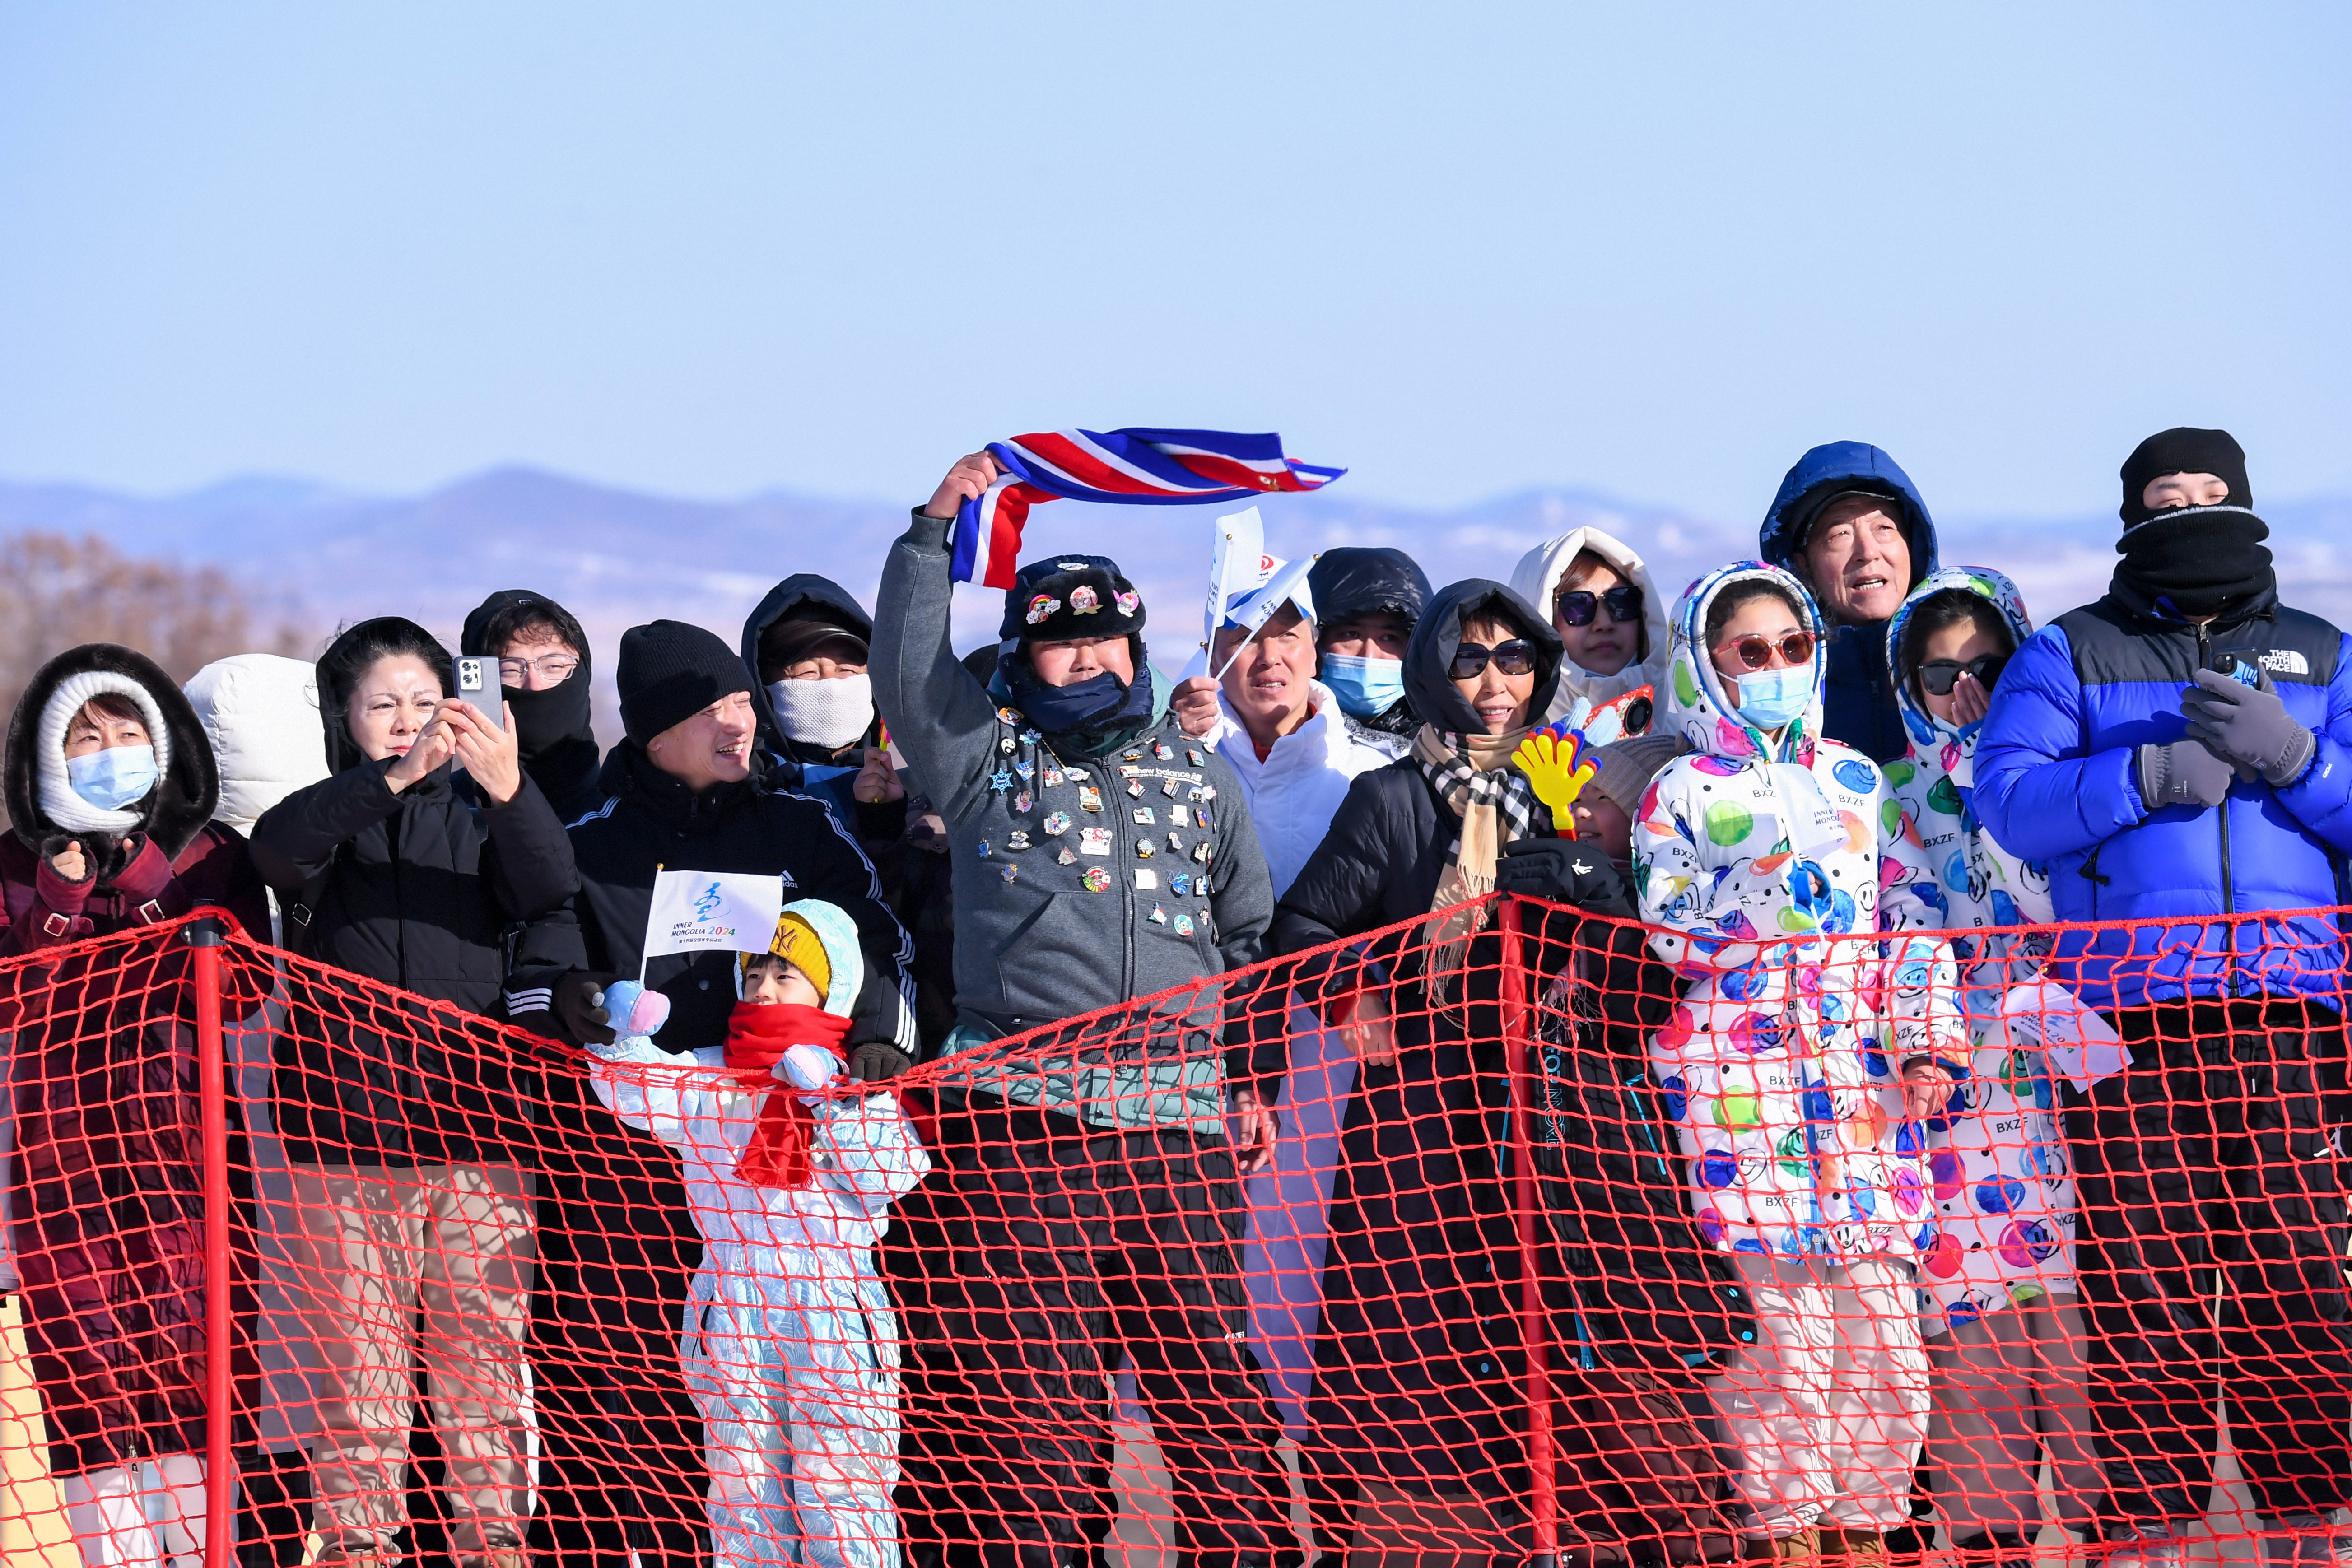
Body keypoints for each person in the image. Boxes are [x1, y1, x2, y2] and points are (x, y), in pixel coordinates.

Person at [871, 449, 1290, 1568]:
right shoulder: (983, 760)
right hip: (1022, 1125)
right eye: (1062, 636)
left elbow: (1246, 942)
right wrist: (934, 529)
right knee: (1035, 1418)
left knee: (1216, 1398)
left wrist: (1252, 1081)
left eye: (1107, 635)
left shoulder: (1198, 776)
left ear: (1136, 646)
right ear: (1025, 654)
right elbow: (910, 670)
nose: (1087, 653)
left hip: (1180, 1130)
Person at [1271, 579, 1716, 1564]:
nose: (1495, 680)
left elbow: (1646, 997)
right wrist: (1358, 993)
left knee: (1615, 1399)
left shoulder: (1579, 787)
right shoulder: (1390, 797)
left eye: (1515, 657)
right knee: (1431, 1395)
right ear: (1434, 668)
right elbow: (1300, 927)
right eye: (1469, 657)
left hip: (1571, 1136)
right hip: (1427, 1138)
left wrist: (1597, 889)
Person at [1975, 428, 2352, 1565]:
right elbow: (2011, 798)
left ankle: (2309, 1529)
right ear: (2131, 518)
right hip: (2134, 1018)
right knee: (2152, 1286)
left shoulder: (2321, 651)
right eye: (2164, 498)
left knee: (2295, 1267)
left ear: (2245, 504)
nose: (2189, 512)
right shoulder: (2071, 651)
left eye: (2209, 495)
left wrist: (2302, 761)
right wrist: (2142, 777)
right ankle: (2152, 1531)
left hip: (2290, 1010)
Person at [508, 619, 917, 1568]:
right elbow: (538, 965)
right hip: (640, 1161)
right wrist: (580, 1000)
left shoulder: (799, 824)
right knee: (651, 1423)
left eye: (742, 699)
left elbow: (877, 940)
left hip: (791, 1140)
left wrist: (869, 1045)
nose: (741, 721)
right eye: (713, 708)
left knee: (833, 1470)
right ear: (658, 731)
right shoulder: (594, 840)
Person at [1633, 562, 1966, 1568]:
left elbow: (1912, 928)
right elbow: (1669, 931)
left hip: (1862, 1103)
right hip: (1743, 1097)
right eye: (1751, 651)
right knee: (1789, 1346)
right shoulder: (1680, 789)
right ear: (1710, 662)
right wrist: (1763, 904)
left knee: (1888, 1348)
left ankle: (1866, 1531)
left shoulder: (1857, 781)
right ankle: (1786, 1536)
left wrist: (1926, 1047)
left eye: (1793, 647)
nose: (1776, 666)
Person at [250, 615, 578, 1568]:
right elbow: (277, 851)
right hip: (344, 1137)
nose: (408, 721)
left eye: (426, 702)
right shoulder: (326, 815)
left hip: (478, 1134)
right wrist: (390, 778)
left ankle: (494, 1543)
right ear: (346, 719)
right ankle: (359, 1543)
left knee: (480, 1360)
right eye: (383, 705)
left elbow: (552, 887)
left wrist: (507, 785)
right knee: (360, 1371)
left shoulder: (487, 810)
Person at [0, 642, 270, 1568]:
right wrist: (63, 895)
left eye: (125, 732)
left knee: (194, 1346)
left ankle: (207, 1546)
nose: (107, 748)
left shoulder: (207, 855)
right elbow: (13, 997)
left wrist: (146, 876)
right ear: (44, 756)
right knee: (85, 1354)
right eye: (84, 736)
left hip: (188, 1148)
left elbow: (244, 987)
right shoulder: (12, 864)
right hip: (60, 1156)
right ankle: (113, 1550)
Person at [581, 901, 928, 1568]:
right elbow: (641, 1096)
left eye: (785, 975)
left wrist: (832, 1099)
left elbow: (892, 1175)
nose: (764, 989)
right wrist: (624, 1040)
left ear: (832, 990)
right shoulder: (713, 1069)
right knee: (745, 1485)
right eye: (753, 975)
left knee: (844, 1483)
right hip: (733, 1298)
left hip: (834, 1302)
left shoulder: (861, 1078)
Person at [1871, 568, 2102, 1558]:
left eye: (1987, 667)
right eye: (1938, 674)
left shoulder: (2063, 772)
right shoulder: (1892, 794)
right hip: (1963, 1122)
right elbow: (1907, 930)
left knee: (2095, 1376)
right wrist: (1930, 1048)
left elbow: (2050, 901)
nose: (1961, 690)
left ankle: (2111, 1533)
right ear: (1905, 686)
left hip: (2072, 1099)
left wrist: (1992, 770)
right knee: (1982, 1388)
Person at [1756, 442, 1940, 763]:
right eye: (1839, 534)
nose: (1867, 552)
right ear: (1801, 564)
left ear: (1912, 544)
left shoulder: (1962, 671)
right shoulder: (1774, 692)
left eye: (1884, 528)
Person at [740, 575, 906, 848]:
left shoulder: (915, 788)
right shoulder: (743, 790)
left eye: (847, 670)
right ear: (764, 687)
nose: (831, 685)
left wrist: (885, 822)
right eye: (808, 673)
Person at [1507, 525, 1672, 742]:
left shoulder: (1694, 750)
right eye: (1578, 606)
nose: (1604, 624)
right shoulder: (1507, 764)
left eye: (1622, 602)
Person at [461, 589, 608, 823]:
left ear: (583, 673)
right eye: (510, 670)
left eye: (555, 667)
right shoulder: (450, 812)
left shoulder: (631, 807)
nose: (536, 685)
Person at [1307, 545, 1430, 749]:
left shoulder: (1442, 748)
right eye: (1351, 635)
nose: (1369, 656)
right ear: (1316, 640)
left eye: (1389, 638)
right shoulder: (1278, 736)